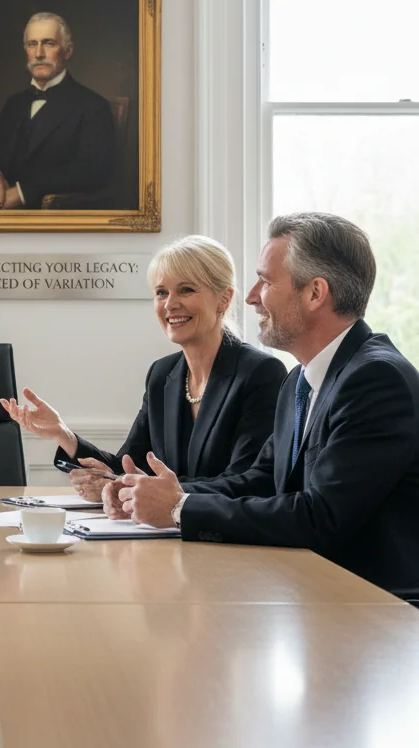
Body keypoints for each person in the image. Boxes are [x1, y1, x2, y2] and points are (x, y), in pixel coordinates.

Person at [114, 213, 419, 602]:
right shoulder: (300, 380)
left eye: (267, 281)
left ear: (315, 293)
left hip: (372, 609)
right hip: (305, 593)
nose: (251, 295)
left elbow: (320, 516)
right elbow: (258, 480)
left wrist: (180, 508)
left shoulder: (376, 379)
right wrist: (153, 494)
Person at [2, 235, 285, 500]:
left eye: (186, 290)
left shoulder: (261, 373)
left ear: (224, 298)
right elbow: (128, 466)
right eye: (161, 293)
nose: (170, 304)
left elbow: (249, 482)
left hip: (225, 539)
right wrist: (64, 436)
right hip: (164, 535)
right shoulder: (162, 376)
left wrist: (143, 489)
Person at [0, 11, 116, 210]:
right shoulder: (15, 103)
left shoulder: (93, 106)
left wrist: (24, 192)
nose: (38, 54)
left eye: (49, 43)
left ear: (68, 51)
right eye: (32, 44)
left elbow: (92, 171)